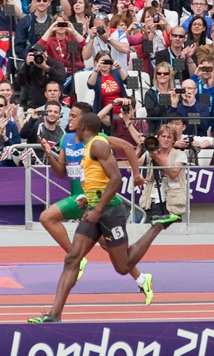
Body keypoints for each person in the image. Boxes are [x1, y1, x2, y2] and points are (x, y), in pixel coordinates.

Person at [28, 113, 181, 323]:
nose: (72, 126)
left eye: (75, 122)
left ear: (83, 127)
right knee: (72, 259)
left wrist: (98, 208)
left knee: (123, 266)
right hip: (93, 208)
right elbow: (91, 180)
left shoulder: (99, 145)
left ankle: (156, 227)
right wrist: (88, 203)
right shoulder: (88, 145)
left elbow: (116, 178)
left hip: (110, 211)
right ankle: (54, 315)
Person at [38, 102, 144, 279]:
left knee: (47, 217)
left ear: (84, 121)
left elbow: (126, 147)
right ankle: (141, 278)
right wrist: (49, 154)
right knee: (106, 243)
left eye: (73, 116)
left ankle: (77, 258)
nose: (69, 118)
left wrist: (136, 174)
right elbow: (60, 172)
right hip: (79, 198)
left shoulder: (98, 138)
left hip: (91, 197)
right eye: (69, 115)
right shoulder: (66, 139)